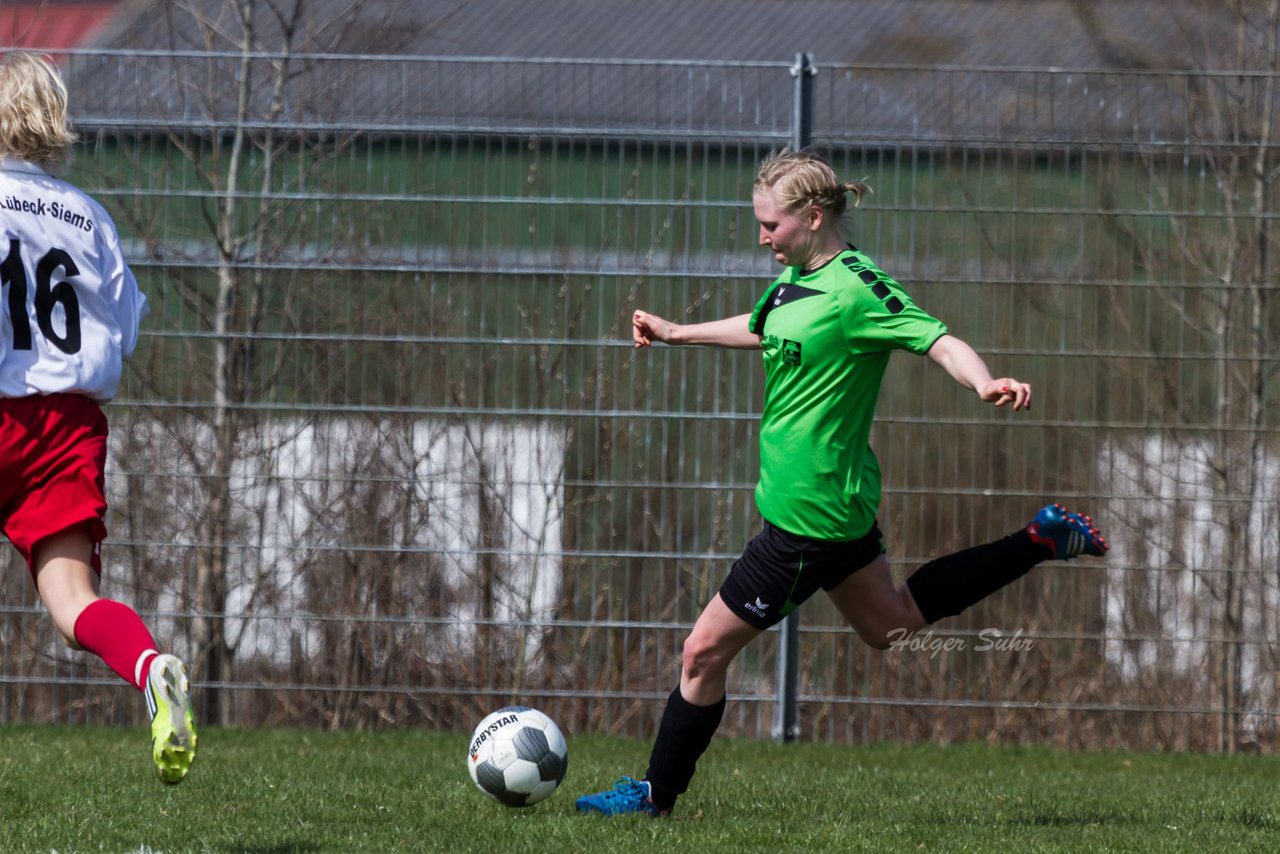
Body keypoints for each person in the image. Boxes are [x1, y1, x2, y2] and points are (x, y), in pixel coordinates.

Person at [575, 149, 1107, 817]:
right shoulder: (797, 278)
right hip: (826, 508)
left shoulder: (858, 288)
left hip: (809, 521)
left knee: (700, 653)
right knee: (891, 625)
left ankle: (653, 798)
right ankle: (1041, 538)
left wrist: (984, 380)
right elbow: (766, 327)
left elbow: (935, 339)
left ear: (813, 216)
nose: (761, 236)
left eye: (770, 225)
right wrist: (677, 332)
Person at [0, 51, 197, 784]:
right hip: (69, 428)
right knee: (74, 604)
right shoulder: (89, 216)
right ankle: (151, 668)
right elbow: (126, 326)